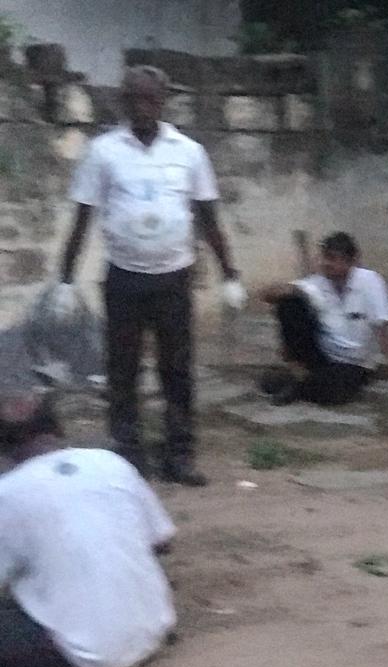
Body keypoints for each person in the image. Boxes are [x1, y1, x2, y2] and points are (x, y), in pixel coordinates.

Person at [54, 65, 246, 486]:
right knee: (122, 369)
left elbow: (208, 217)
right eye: (135, 98)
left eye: (151, 99)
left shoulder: (189, 152)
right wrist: (65, 281)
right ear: (123, 101)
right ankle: (128, 454)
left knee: (176, 368)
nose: (143, 107)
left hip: (173, 277)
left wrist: (230, 274)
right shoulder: (103, 152)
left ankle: (179, 455)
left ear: (163, 102)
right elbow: (82, 218)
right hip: (124, 278)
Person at [0, 393, 176, 667]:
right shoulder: (111, 462)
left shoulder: (8, 492)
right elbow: (161, 542)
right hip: (154, 629)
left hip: (81, 652)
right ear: (58, 428)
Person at [259, 232, 388, 406]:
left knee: (334, 391)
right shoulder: (317, 283)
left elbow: (384, 328)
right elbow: (267, 295)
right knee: (289, 304)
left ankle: (297, 385)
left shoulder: (370, 282)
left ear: (352, 261)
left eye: (333, 258)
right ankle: (299, 376)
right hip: (322, 355)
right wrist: (289, 290)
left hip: (355, 363)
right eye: (325, 257)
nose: (327, 263)